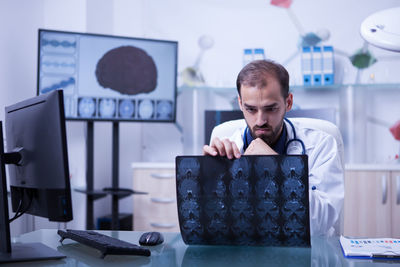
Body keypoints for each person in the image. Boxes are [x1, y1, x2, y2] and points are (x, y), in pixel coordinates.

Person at [203, 60, 344, 236]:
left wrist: (276, 167)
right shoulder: (226, 148)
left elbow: (320, 225)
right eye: (251, 109)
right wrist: (206, 180)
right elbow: (214, 226)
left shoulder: (320, 145)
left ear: (288, 102)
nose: (260, 120)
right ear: (240, 103)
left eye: (270, 109)